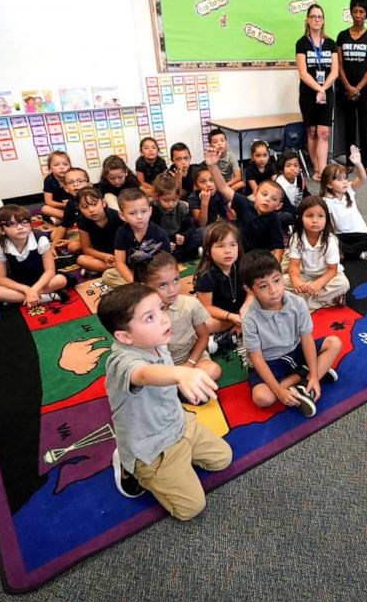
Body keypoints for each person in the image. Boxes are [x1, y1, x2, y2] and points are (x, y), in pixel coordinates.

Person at [98, 282, 232, 517]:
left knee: (223, 459)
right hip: (152, 447)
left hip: (179, 425)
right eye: (149, 317)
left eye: (161, 309)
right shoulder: (122, 361)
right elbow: (143, 374)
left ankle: (177, 467)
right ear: (124, 336)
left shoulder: (155, 342)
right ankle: (131, 467)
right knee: (191, 508)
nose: (163, 318)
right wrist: (180, 373)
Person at [241, 250, 342, 417]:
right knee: (262, 398)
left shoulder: (297, 303)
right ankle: (302, 376)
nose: (274, 290)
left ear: (282, 276)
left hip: (297, 351)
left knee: (334, 343)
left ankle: (308, 376)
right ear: (249, 289)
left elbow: (307, 339)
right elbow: (257, 358)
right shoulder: (249, 319)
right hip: (272, 362)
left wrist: (315, 377)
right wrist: (278, 390)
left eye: (277, 280)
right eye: (263, 286)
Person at [134, 251, 223, 381]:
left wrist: (190, 363)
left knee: (213, 370)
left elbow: (203, 336)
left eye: (176, 280)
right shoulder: (139, 313)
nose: (172, 290)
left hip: (190, 358)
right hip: (159, 366)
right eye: (162, 285)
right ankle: (180, 387)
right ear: (145, 287)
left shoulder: (190, 304)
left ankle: (176, 387)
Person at [209, 149, 286, 262]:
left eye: (274, 199)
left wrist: (274, 267)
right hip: (240, 255)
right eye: (264, 194)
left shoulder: (274, 219)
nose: (267, 200)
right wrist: (212, 166)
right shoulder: (244, 203)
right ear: (255, 194)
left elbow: (278, 247)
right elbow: (223, 188)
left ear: (278, 206)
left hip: (262, 258)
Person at [0, 205, 69, 307]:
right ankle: (45, 297)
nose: (20, 227)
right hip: (18, 283)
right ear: (1, 230)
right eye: (12, 224)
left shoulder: (41, 240)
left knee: (61, 280)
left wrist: (34, 289)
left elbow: (50, 271)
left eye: (25, 222)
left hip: (42, 280)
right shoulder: (0, 247)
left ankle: (19, 298)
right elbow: (0, 278)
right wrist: (26, 290)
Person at [336, 0, 367, 178]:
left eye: (361, 11)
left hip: (364, 90)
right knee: (349, 126)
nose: (358, 15)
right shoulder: (342, 36)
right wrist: (348, 86)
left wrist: (358, 88)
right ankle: (350, 162)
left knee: (364, 126)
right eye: (355, 11)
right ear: (351, 13)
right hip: (345, 89)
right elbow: (339, 65)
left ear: (366, 14)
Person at [296, 3, 339, 182]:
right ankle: (316, 167)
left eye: (319, 16)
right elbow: (303, 73)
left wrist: (324, 90)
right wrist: (318, 89)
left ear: (323, 20)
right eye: (312, 16)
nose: (316, 19)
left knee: (324, 132)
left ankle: (322, 170)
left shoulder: (330, 43)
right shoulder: (302, 43)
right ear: (307, 20)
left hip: (327, 93)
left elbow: (334, 71)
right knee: (312, 131)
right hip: (308, 93)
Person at [284, 196, 350, 310]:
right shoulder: (296, 238)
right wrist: (296, 280)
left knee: (343, 284)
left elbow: (332, 270)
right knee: (283, 282)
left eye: (320, 216)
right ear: (301, 218)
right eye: (309, 216)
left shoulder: (330, 240)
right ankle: (329, 300)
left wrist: (318, 284)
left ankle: (302, 303)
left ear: (326, 219)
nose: (315, 220)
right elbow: (294, 265)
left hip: (325, 276)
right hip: (304, 274)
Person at [319, 145, 367, 261]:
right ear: (328, 184)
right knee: (331, 243)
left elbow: (362, 177)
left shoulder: (349, 190)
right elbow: (331, 227)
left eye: (345, 178)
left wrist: (358, 163)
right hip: (343, 236)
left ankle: (346, 253)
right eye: (339, 179)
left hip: (360, 234)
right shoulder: (326, 201)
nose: (344, 182)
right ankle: (360, 254)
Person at [195, 221, 252, 344]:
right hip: (221, 314)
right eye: (220, 246)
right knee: (205, 324)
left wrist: (245, 310)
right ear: (208, 251)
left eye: (232, 245)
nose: (228, 251)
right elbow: (207, 307)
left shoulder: (243, 264)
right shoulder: (206, 275)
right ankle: (239, 326)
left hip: (243, 310)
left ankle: (236, 328)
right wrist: (232, 317)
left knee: (268, 297)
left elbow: (252, 291)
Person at [105, 187, 172, 288]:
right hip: (133, 273)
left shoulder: (160, 234)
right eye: (132, 213)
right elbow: (120, 263)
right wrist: (135, 283)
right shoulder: (122, 232)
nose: (139, 217)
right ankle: (141, 290)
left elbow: (167, 264)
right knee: (108, 275)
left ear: (150, 211)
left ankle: (144, 291)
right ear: (122, 216)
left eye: (143, 211)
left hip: (155, 273)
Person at [75, 187, 124, 276]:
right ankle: (119, 270)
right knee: (81, 260)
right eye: (85, 207)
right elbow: (86, 248)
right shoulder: (82, 221)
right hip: (103, 256)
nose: (91, 210)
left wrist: (119, 257)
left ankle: (117, 269)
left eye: (94, 204)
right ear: (79, 208)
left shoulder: (116, 216)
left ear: (103, 203)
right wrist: (104, 256)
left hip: (121, 253)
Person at [150, 173, 199, 262]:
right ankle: (188, 254)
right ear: (157, 197)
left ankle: (178, 255)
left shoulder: (181, 207)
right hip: (162, 241)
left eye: (174, 200)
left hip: (178, 239)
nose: (171, 204)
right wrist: (165, 242)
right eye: (166, 200)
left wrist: (184, 236)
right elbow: (152, 232)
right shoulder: (153, 209)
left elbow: (190, 227)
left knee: (201, 233)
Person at [49, 167, 92, 257]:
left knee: (73, 247)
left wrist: (71, 241)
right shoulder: (71, 203)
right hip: (82, 233)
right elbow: (63, 226)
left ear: (89, 184)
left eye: (80, 181)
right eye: (70, 182)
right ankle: (63, 251)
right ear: (66, 188)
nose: (75, 185)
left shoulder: (94, 201)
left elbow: (98, 232)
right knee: (54, 234)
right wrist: (53, 246)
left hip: (98, 236)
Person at [206, 129, 244, 194]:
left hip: (229, 182)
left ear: (227, 143)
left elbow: (238, 177)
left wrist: (224, 186)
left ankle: (226, 194)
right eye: (215, 142)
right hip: (216, 182)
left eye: (222, 140)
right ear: (210, 146)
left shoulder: (231, 156)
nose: (220, 144)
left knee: (241, 183)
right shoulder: (210, 157)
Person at [40, 151, 72, 222]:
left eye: (65, 164)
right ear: (50, 168)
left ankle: (63, 219)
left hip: (73, 205)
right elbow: (48, 201)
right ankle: (69, 217)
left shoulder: (73, 177)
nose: (62, 167)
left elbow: (80, 195)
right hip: (59, 207)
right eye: (56, 165)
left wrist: (71, 203)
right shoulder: (49, 180)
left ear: (70, 166)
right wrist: (63, 205)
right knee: (44, 209)